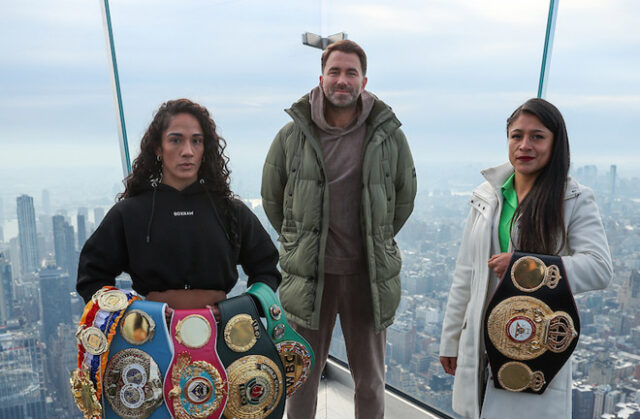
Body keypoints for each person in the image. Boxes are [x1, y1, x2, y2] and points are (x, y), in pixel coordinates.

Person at [261, 39, 417, 418]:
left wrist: (375, 239)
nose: (342, 80)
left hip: (367, 275)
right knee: (301, 377)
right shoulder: (292, 135)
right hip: (310, 276)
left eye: (351, 73)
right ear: (321, 78)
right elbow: (272, 196)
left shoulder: (388, 135)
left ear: (364, 81)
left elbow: (404, 196)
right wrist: (301, 245)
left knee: (370, 381)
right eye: (335, 72)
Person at [439, 98, 613, 419]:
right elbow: (466, 274)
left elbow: (600, 268)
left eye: (537, 136)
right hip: (480, 341)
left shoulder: (573, 199)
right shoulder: (487, 196)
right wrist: (450, 341)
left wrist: (526, 268)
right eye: (516, 135)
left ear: (555, 143)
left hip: (534, 343)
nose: (524, 145)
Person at [77, 99, 281, 316]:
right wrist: (134, 313)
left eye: (196, 141)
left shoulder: (232, 211)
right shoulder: (129, 213)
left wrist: (236, 309)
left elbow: (267, 271)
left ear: (205, 149)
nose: (187, 151)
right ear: (158, 147)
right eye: (175, 140)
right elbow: (92, 277)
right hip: (151, 340)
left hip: (224, 339)